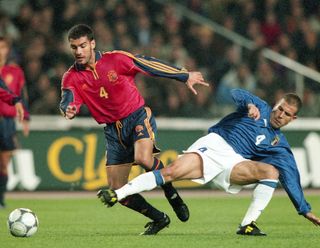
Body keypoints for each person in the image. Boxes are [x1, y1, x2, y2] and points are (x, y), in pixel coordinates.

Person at [98, 88, 320, 236]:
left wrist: (304, 209)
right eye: (279, 108)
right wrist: (249, 104)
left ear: (293, 118)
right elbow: (236, 93)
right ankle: (118, 193)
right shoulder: (259, 107)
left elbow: (291, 175)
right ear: (275, 104)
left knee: (272, 172)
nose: (280, 114)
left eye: (286, 113)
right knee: (170, 173)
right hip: (214, 145)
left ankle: (247, 225)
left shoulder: (279, 145)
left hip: (235, 163)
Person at [59, 24, 209, 235]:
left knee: (143, 158)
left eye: (83, 46)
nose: (78, 52)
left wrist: (183, 76)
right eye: (74, 47)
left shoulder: (115, 59)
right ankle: (159, 218)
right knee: (117, 191)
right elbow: (67, 98)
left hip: (136, 116)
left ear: (92, 44)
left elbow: (148, 64)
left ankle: (171, 193)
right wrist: (68, 108)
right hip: (112, 131)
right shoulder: (71, 76)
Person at [0, 36, 29, 208]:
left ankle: (1, 199)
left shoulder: (14, 71)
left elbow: (21, 94)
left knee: (4, 163)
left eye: (2, 47)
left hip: (7, 122)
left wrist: (25, 117)